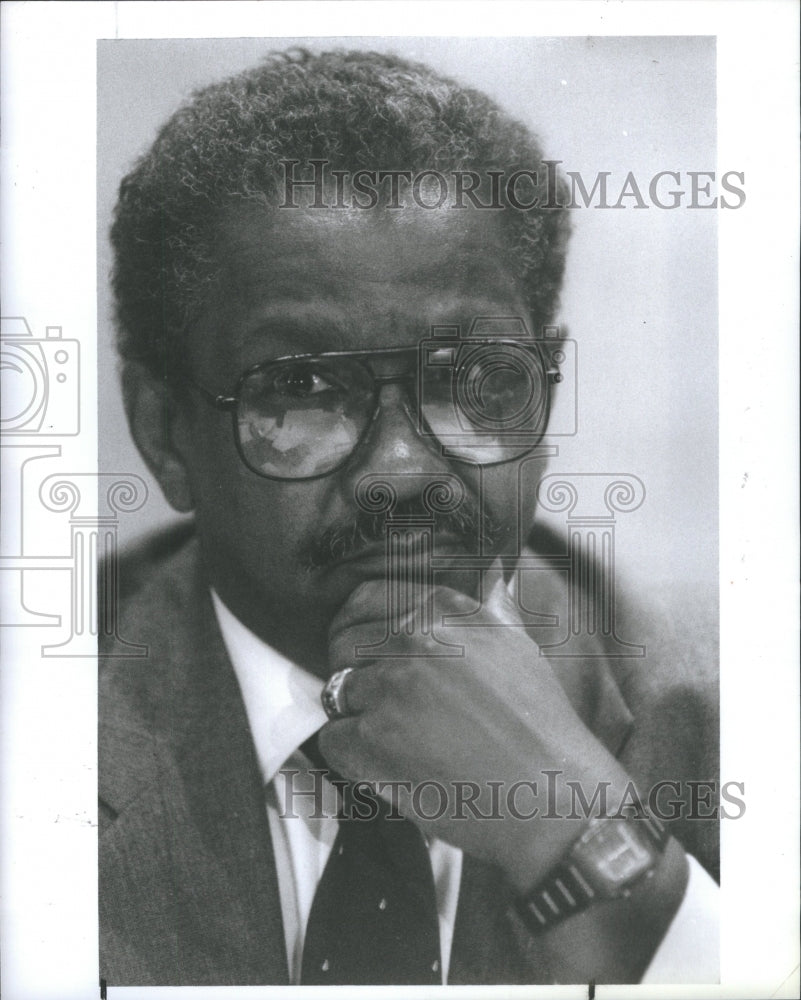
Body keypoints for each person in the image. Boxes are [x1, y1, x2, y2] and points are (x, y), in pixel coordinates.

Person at [99, 47, 719, 986]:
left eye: (474, 380)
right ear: (164, 435)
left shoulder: (721, 714)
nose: (401, 469)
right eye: (302, 386)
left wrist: (577, 830)